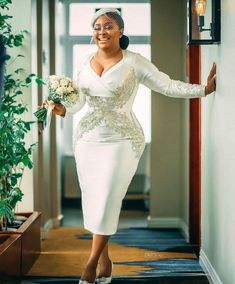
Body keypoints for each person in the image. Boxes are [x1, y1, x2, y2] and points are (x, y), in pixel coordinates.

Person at [42, 8, 216, 284]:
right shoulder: (84, 62)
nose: (101, 31)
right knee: (94, 200)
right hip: (87, 140)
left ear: (120, 31)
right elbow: (77, 104)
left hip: (122, 140)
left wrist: (202, 89)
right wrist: (59, 109)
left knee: (108, 198)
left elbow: (166, 85)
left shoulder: (134, 62)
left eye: (108, 26)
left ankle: (89, 265)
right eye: (97, 26)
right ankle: (105, 260)